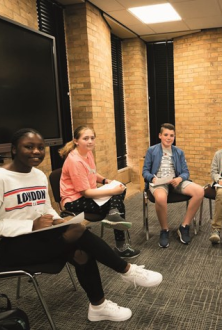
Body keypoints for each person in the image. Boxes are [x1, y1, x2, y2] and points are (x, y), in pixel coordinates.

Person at [0, 128, 163, 323]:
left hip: (37, 238)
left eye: (40, 148)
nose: (36, 152)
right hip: (9, 247)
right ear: (14, 150)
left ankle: (99, 306)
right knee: (77, 232)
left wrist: (57, 219)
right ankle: (127, 271)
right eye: (29, 147)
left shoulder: (38, 176)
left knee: (81, 251)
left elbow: (45, 208)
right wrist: (31, 225)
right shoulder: (2, 178)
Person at [59, 126, 139, 259]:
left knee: (121, 186)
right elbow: (86, 193)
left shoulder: (87, 153)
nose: (90, 141)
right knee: (117, 200)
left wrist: (105, 180)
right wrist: (112, 190)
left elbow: (92, 172)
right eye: (85, 138)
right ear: (76, 141)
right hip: (73, 201)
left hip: (89, 194)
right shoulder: (75, 161)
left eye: (92, 138)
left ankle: (113, 214)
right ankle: (120, 245)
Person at [142, 123, 204, 248]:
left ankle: (184, 226)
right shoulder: (152, 150)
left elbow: (186, 172)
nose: (169, 138)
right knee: (160, 198)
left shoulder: (179, 152)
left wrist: (180, 178)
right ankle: (164, 230)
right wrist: (152, 178)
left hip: (175, 181)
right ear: (160, 136)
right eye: (166, 135)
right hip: (159, 182)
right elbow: (145, 171)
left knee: (200, 191)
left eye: (172, 135)